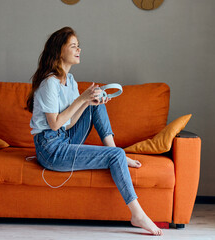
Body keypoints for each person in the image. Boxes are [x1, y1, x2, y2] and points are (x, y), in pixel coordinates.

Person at [26, 26, 163, 236]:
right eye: (73, 46)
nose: (78, 49)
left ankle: (116, 151)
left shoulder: (69, 81)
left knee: (96, 104)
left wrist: (88, 102)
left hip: (64, 137)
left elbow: (69, 124)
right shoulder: (49, 83)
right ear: (59, 51)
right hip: (50, 148)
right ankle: (138, 214)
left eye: (78, 46)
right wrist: (82, 99)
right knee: (115, 155)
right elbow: (54, 124)